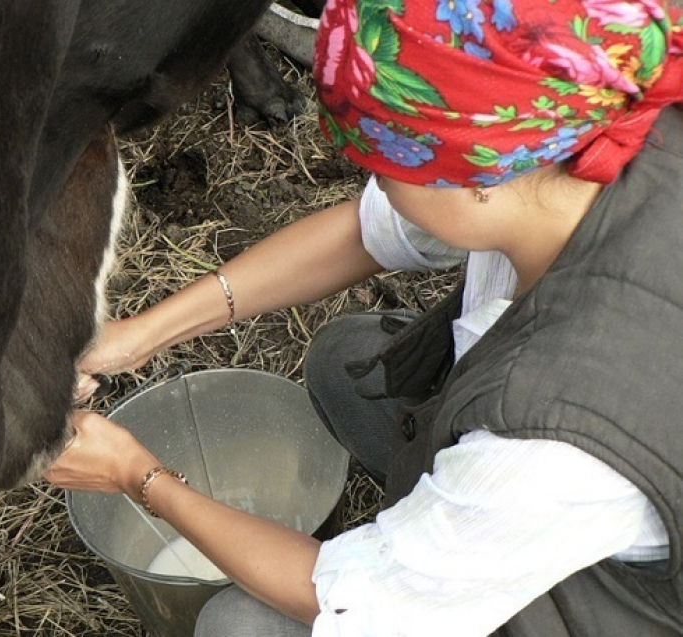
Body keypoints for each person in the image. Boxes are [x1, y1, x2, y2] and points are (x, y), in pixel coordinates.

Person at [45, 0, 683, 634]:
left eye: (380, 167)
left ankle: (451, 551)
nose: (368, 181)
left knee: (242, 624)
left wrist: (137, 475)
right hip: (548, 466)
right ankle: (440, 521)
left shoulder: (553, 439)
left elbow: (343, 603)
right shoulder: (578, 142)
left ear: (477, 179)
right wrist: (138, 335)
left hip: (602, 605)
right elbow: (365, 232)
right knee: (345, 363)